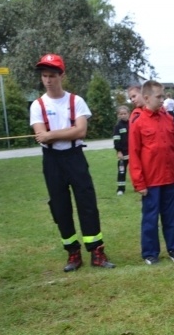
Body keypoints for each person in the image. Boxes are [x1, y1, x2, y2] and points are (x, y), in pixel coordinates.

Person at [30, 54, 114, 271]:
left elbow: (81, 131)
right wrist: (67, 132)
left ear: (62, 75)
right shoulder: (37, 105)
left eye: (52, 75)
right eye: (45, 76)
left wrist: (52, 134)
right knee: (60, 207)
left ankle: (97, 251)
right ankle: (72, 253)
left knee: (87, 203)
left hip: (75, 157)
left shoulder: (76, 101)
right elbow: (41, 135)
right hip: (52, 161)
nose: (48, 80)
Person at [128, 80, 174, 264]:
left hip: (169, 178)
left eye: (163, 96)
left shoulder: (167, 118)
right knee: (150, 218)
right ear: (146, 98)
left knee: (171, 216)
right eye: (158, 97)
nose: (163, 100)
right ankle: (150, 253)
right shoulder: (138, 122)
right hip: (151, 181)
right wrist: (139, 182)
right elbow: (134, 154)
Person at [113, 106, 130, 195]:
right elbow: (116, 140)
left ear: (128, 114)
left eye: (125, 113)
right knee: (122, 171)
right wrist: (118, 151)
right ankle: (120, 189)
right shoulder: (118, 126)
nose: (123, 115)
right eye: (121, 114)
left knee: (135, 171)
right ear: (118, 115)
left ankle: (138, 186)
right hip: (123, 154)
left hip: (133, 153)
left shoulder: (132, 124)